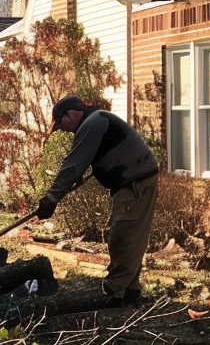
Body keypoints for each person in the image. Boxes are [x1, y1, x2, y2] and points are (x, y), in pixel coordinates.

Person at [35, 95, 159, 306]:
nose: (62, 130)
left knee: (123, 237)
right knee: (129, 236)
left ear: (71, 114)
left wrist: (51, 198)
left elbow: (73, 166)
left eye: (60, 122)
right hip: (132, 182)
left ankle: (113, 294)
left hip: (135, 184)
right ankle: (130, 291)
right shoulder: (98, 121)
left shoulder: (93, 123)